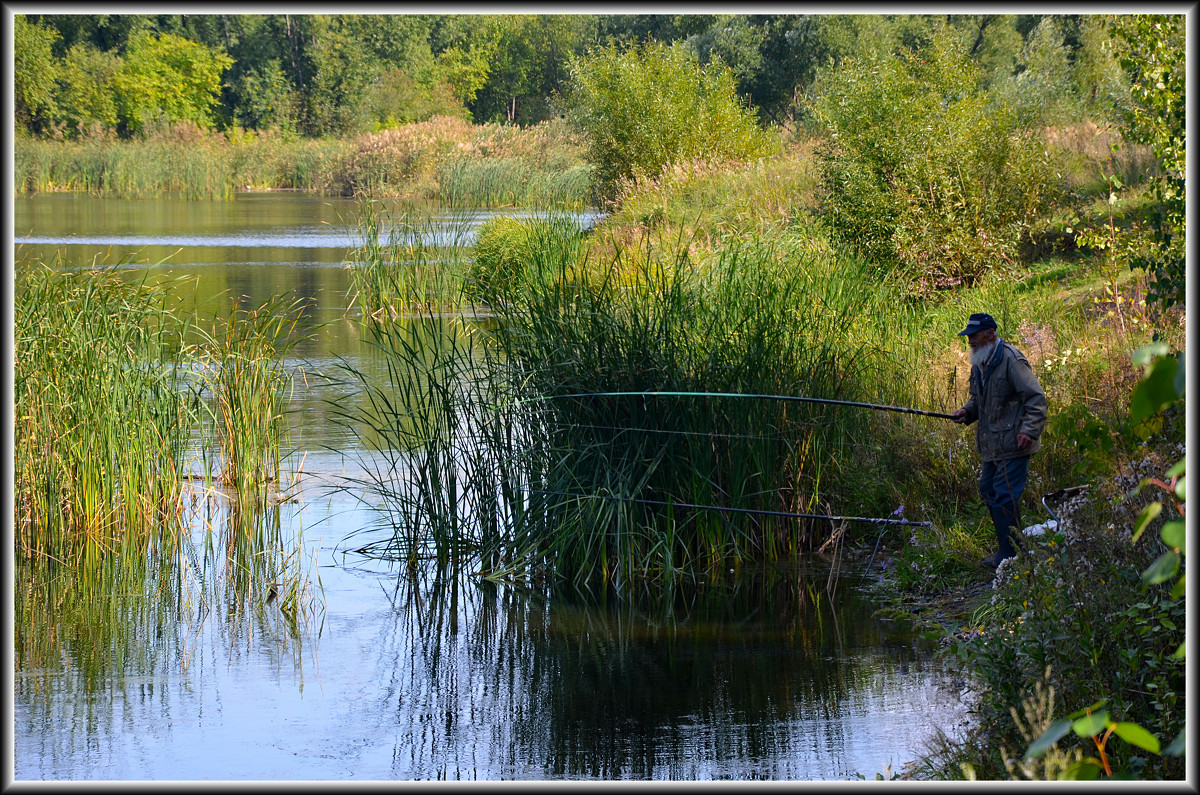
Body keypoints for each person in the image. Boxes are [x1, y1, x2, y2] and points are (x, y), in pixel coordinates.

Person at [950, 313, 1047, 569]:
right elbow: (978, 400)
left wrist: (1029, 431)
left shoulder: (1012, 361)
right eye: (968, 336)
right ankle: (1011, 549)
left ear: (990, 333)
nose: (969, 340)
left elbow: (1036, 399)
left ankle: (1010, 554)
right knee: (988, 490)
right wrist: (967, 411)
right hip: (993, 445)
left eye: (974, 335)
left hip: (1015, 443)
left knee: (1004, 496)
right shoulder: (980, 361)